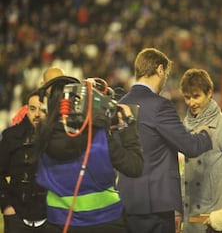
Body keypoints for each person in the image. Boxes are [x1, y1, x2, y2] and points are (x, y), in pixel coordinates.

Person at [117, 48, 213, 233]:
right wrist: (205, 134)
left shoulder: (121, 104)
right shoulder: (160, 106)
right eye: (166, 74)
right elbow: (190, 146)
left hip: (126, 203)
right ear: (160, 70)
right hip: (156, 206)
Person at [33, 76, 144, 233]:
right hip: (106, 222)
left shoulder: (41, 137)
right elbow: (135, 166)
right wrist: (128, 125)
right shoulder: (98, 136)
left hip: (59, 222)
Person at [179, 68, 222, 233]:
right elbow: (186, 172)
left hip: (216, 218)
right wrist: (179, 210)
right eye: (187, 97)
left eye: (196, 96)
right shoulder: (185, 125)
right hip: (190, 215)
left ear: (209, 93)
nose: (191, 103)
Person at [0, 90, 48, 233]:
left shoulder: (58, 139)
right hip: (17, 217)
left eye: (42, 110)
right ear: (26, 109)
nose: (37, 114)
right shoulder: (11, 137)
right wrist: (6, 206)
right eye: (32, 109)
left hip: (50, 218)